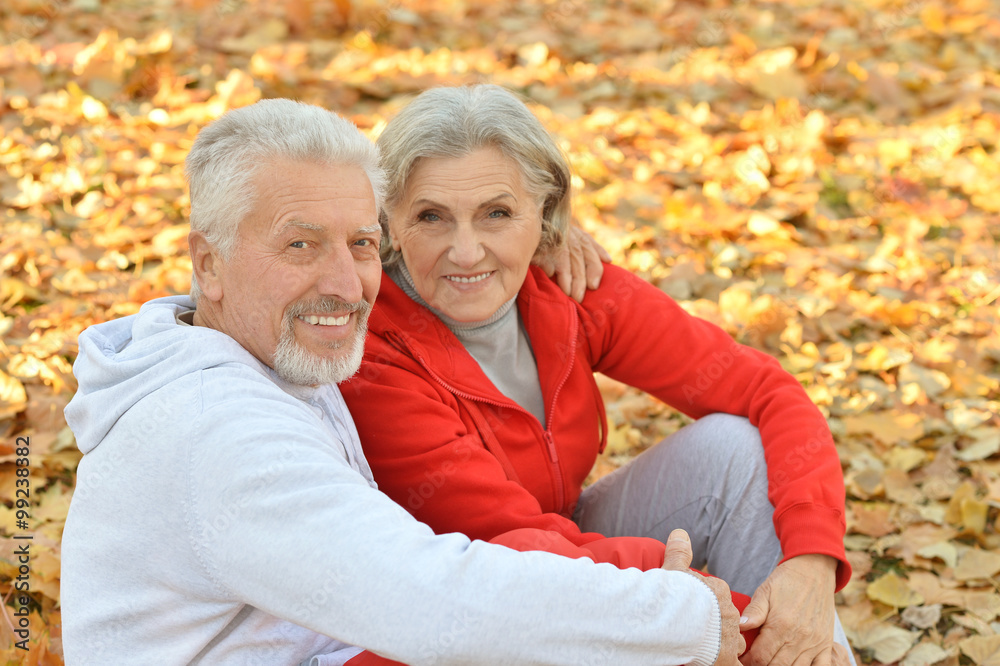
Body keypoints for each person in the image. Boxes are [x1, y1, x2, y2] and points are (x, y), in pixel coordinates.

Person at [60, 98, 749, 666]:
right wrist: (685, 612)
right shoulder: (219, 432)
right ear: (209, 264)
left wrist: (538, 229)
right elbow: (434, 604)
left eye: (360, 243)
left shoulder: (265, 349)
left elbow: (455, 165)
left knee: (720, 464)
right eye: (300, 244)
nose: (343, 284)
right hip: (390, 630)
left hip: (357, 638)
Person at [338, 84, 856, 666]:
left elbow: (767, 390)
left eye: (497, 214)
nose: (465, 251)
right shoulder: (373, 356)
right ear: (388, 222)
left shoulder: (568, 285)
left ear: (545, 211)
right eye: (431, 216)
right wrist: (742, 626)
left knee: (732, 447)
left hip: (568, 537)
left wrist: (811, 565)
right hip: (469, 606)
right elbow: (514, 552)